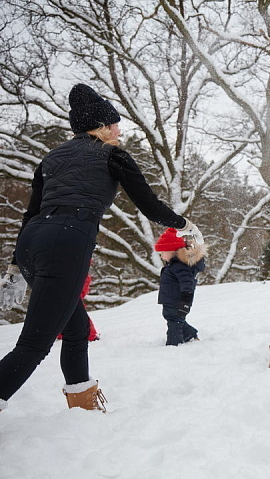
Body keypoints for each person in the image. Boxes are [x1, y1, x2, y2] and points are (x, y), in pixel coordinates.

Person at [0, 83, 204, 413]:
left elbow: (31, 213)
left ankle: (83, 408)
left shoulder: (51, 157)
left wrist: (15, 267)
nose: (119, 132)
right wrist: (184, 225)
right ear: (102, 126)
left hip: (32, 242)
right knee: (34, 343)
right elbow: (149, 206)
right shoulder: (112, 155)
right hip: (67, 241)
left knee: (76, 329)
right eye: (115, 125)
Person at [154, 227, 206, 346]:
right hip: (170, 301)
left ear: (172, 251)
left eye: (163, 253)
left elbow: (187, 283)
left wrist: (186, 300)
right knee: (175, 319)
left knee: (174, 321)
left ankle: (173, 344)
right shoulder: (173, 265)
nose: (162, 256)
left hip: (178, 302)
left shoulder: (180, 266)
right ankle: (190, 335)